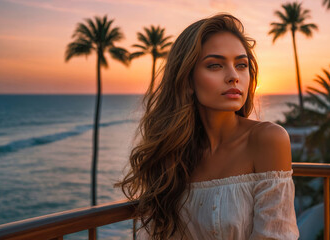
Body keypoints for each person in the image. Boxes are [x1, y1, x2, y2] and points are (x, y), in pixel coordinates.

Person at [116, 13, 299, 240]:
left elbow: (275, 234)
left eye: (241, 65)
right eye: (215, 65)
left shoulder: (268, 139)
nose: (233, 76)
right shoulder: (173, 156)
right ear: (188, 80)